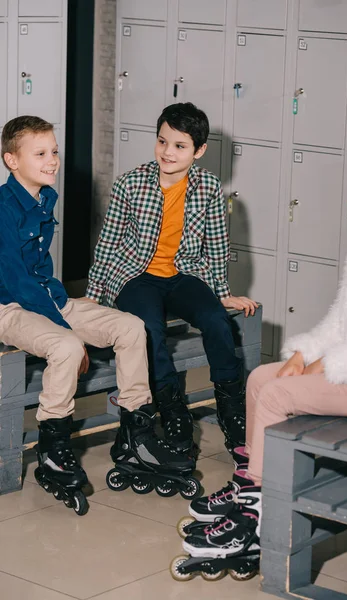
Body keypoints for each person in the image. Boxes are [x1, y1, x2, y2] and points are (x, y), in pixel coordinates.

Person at [179, 148, 347, 562]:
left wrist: (325, 366)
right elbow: (339, 323)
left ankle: (260, 513)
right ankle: (250, 483)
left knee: (280, 396)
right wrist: (304, 354)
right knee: (263, 377)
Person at [0, 115, 195, 513]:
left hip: (49, 300)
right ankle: (53, 450)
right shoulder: (3, 210)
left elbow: (41, 278)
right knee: (68, 347)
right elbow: (18, 283)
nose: (52, 160)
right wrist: (67, 329)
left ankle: (136, 433)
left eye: (54, 151)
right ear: (11, 161)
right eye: (40, 154)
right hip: (10, 307)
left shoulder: (45, 198)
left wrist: (71, 310)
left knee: (130, 326)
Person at [85, 102, 258, 454]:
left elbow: (217, 245)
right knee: (150, 328)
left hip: (184, 274)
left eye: (179, 146)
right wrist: (94, 295)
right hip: (136, 275)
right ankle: (172, 408)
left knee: (215, 319)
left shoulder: (209, 188)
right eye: (162, 142)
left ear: (199, 151)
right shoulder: (129, 184)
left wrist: (221, 293)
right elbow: (108, 243)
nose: (168, 152)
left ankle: (231, 408)